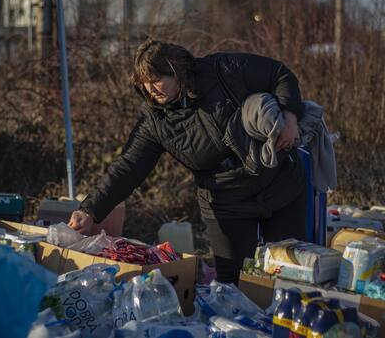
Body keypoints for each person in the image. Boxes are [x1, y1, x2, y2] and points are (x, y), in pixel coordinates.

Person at [68, 40, 308, 284]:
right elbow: (128, 167)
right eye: (144, 83)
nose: (151, 89)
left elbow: (279, 74)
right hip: (226, 201)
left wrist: (290, 116)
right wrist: (90, 210)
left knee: (288, 272)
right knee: (234, 282)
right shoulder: (155, 122)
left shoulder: (222, 70)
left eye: (157, 79)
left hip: (280, 184)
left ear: (177, 72)